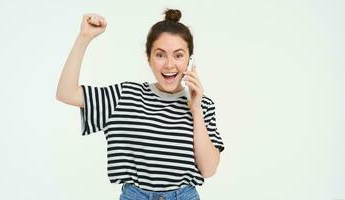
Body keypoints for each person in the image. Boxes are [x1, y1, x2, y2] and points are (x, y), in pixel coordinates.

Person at [56, 8, 225, 200]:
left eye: (178, 55)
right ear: (149, 58)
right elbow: (66, 93)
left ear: (189, 60)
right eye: (160, 55)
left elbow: (209, 169)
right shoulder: (125, 96)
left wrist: (196, 109)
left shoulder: (203, 105)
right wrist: (84, 37)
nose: (169, 65)